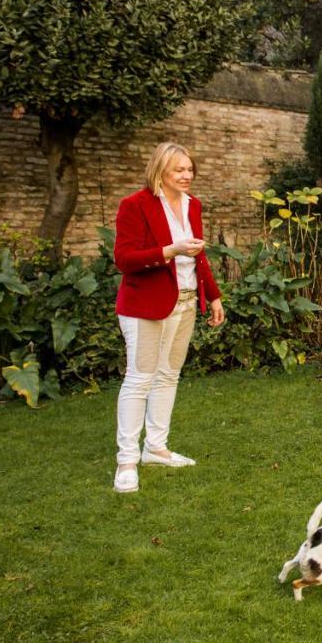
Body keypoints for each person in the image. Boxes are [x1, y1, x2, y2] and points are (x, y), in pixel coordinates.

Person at [110, 143, 225, 493]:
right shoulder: (135, 205)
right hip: (145, 305)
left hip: (187, 302)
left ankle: (156, 448)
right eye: (179, 170)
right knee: (139, 379)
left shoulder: (193, 205)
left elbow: (197, 256)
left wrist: (214, 294)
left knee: (168, 377)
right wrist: (168, 251)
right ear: (160, 170)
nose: (187, 176)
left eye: (190, 169)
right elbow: (124, 259)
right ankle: (126, 460)